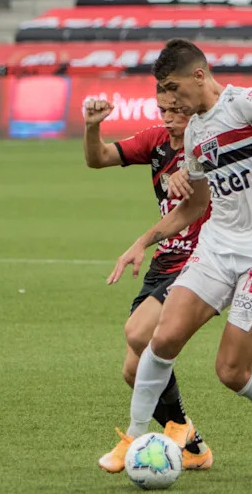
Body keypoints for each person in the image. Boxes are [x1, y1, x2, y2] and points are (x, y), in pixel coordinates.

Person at [103, 39, 252, 484]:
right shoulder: (194, 132)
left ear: (198, 75)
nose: (169, 100)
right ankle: (135, 438)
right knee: (163, 338)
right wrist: (144, 240)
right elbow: (194, 207)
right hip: (217, 247)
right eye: (162, 92)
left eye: (172, 88)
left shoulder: (247, 103)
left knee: (231, 371)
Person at [82, 86, 213, 471]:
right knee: (133, 370)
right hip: (166, 261)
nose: (170, 116)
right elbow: (99, 158)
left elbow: (201, 194)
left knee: (139, 334)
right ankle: (191, 442)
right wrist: (92, 129)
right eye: (164, 109)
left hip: (204, 259)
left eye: (178, 110)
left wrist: (185, 172)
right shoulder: (156, 141)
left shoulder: (210, 141)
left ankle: (148, 433)